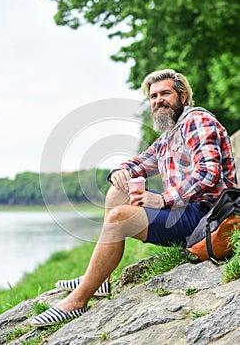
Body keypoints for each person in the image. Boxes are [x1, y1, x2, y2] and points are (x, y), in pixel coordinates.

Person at [31, 68, 237, 326]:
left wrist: (163, 200)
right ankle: (100, 279)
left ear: (183, 97)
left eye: (166, 94)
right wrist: (119, 172)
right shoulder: (169, 135)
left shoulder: (197, 121)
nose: (158, 100)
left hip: (209, 218)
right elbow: (138, 163)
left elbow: (208, 173)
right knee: (119, 190)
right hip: (185, 214)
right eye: (153, 96)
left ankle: (78, 301)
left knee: (119, 218)